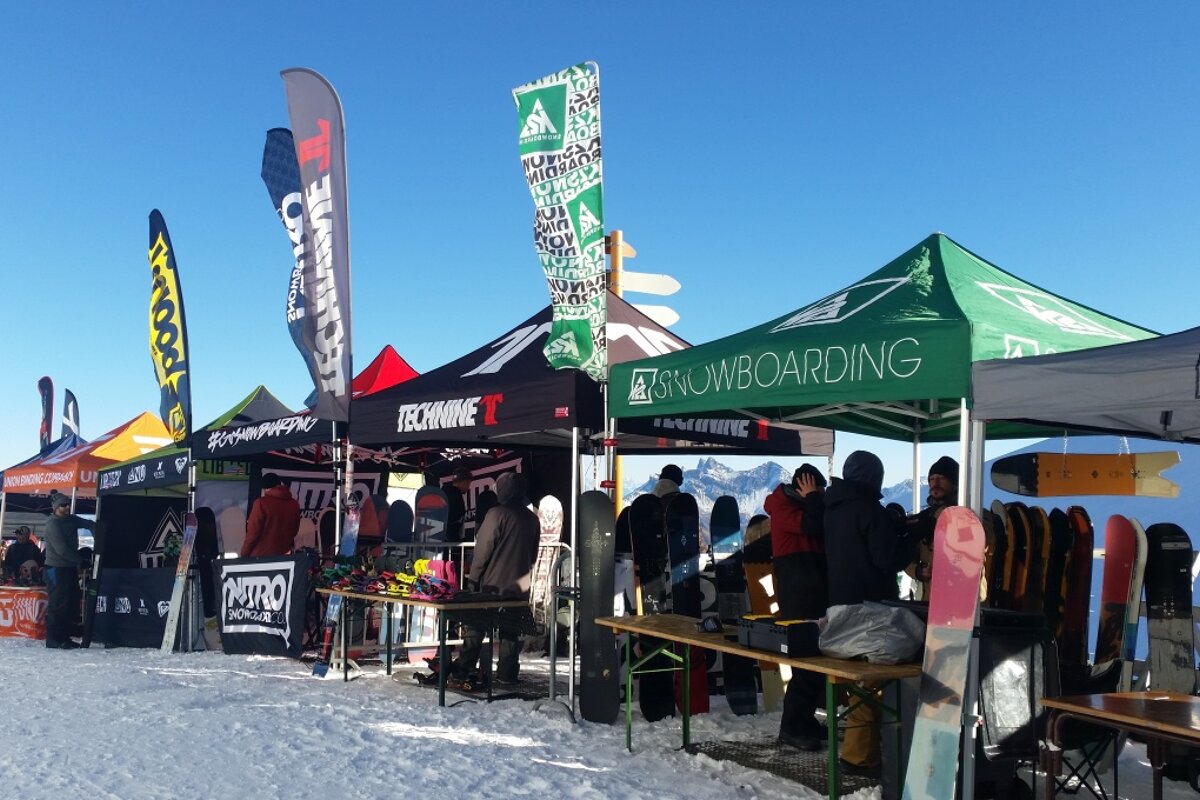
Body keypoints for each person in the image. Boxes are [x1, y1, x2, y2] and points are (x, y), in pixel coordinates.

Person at [823, 451, 914, 776]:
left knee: (861, 684)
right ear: (874, 477)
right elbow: (887, 559)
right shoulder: (870, 510)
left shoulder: (832, 508)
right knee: (873, 682)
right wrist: (907, 541)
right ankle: (860, 757)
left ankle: (863, 753)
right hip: (872, 610)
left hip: (839, 607)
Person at [450, 472, 540, 687]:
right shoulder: (532, 518)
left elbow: (482, 551)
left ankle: (463, 669)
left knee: (476, 626)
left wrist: (473, 580)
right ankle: (507, 674)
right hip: (520, 584)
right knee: (510, 631)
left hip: (492, 584)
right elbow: (533, 555)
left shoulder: (496, 514)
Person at [764, 464, 829, 750]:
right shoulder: (783, 508)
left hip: (810, 593)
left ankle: (803, 720)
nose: (821, 497)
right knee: (806, 665)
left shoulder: (797, 506)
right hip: (800, 597)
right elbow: (813, 525)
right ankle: (791, 727)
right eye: (818, 490)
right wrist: (813, 497)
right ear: (805, 487)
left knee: (814, 664)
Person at [904, 456, 960, 598]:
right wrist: (918, 571)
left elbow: (987, 540)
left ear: (955, 483)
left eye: (942, 478)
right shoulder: (923, 518)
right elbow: (906, 554)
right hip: (930, 599)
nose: (935, 483)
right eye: (932, 479)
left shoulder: (974, 513)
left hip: (965, 599)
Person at [43, 494, 89, 649]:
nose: (67, 507)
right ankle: (52, 639)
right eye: (63, 505)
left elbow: (89, 523)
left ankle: (65, 637)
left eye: (68, 504)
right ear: (56, 507)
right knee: (57, 603)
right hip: (55, 568)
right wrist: (80, 560)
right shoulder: (53, 524)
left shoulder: (71, 519)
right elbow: (61, 550)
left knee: (71, 602)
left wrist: (98, 530)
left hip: (69, 568)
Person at [241, 473, 301, 558]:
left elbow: (253, 533)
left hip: (261, 556)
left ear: (265, 488)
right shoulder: (294, 504)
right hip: (284, 555)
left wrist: (244, 553)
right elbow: (294, 531)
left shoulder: (261, 503)